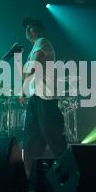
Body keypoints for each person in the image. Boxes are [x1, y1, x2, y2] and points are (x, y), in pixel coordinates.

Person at [20, 18, 67, 176]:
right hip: (36, 97)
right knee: (32, 139)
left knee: (52, 135)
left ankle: (68, 173)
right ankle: (31, 178)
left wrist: (23, 89)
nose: (27, 30)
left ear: (37, 30)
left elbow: (35, 66)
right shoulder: (34, 47)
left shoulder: (42, 42)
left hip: (45, 97)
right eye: (26, 27)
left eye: (30, 27)